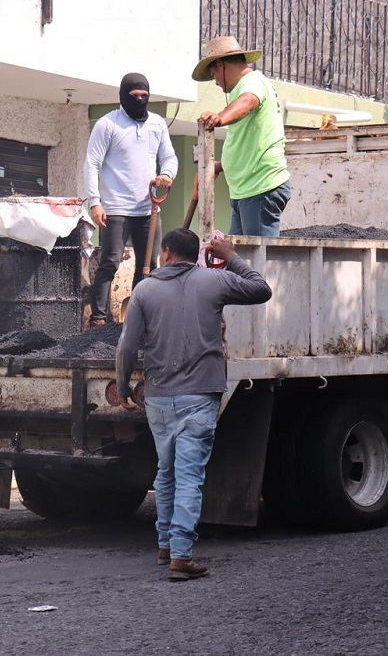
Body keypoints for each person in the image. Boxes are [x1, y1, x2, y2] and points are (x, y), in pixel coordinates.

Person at [115, 229, 271, 581]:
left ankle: (166, 545)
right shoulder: (215, 281)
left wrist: (123, 385)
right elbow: (261, 288)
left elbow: (127, 346)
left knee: (166, 471)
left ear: (166, 253)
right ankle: (181, 555)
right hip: (200, 395)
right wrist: (230, 255)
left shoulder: (145, 290)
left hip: (158, 395)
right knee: (188, 475)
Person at [84, 72, 179, 327]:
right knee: (110, 262)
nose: (139, 100)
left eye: (144, 96)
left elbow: (169, 157)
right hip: (115, 208)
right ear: (123, 96)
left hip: (148, 208)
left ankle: (138, 318)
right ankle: (99, 319)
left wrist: (167, 175)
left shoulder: (157, 124)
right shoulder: (108, 124)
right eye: (134, 96)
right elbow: (92, 163)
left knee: (148, 264)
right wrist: (95, 202)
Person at [193, 36, 292, 237]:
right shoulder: (246, 85)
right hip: (247, 191)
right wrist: (218, 166)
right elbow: (245, 143)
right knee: (240, 262)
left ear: (220, 65)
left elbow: (247, 102)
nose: (216, 82)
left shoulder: (252, 82)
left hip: (260, 188)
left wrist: (219, 118)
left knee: (256, 262)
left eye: (214, 74)